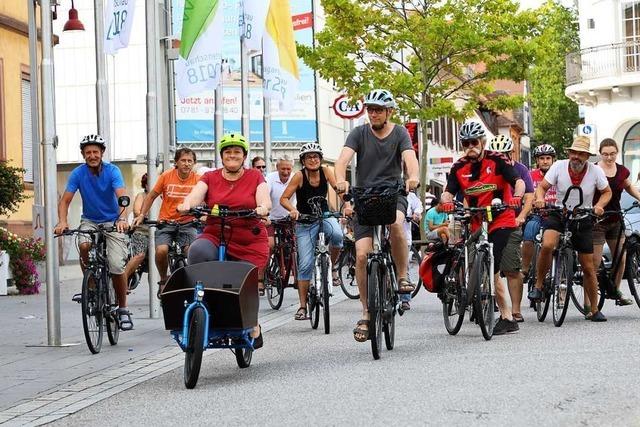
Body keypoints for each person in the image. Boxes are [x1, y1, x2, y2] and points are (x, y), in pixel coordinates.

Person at [334, 89, 419, 342]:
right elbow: (342, 161)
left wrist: (412, 176)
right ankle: (366, 312)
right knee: (361, 255)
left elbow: (410, 159)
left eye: (378, 110)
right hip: (365, 196)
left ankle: (402, 276)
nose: (373, 114)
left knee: (395, 224)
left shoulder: (400, 132)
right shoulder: (359, 133)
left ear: (389, 112)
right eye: (370, 109)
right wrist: (340, 180)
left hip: (394, 193)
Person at [178, 133, 269, 347]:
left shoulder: (255, 176)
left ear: (244, 156)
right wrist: (186, 204)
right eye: (228, 152)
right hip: (215, 231)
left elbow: (263, 197)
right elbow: (195, 195)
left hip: (248, 236)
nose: (232, 155)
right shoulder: (210, 177)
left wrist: (263, 207)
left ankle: (253, 322)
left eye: (237, 152)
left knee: (245, 279)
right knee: (197, 251)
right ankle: (203, 304)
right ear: (221, 156)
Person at [440, 121, 525, 335]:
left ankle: (507, 317)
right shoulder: (459, 167)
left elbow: (519, 182)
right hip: (477, 219)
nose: (470, 146)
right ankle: (468, 288)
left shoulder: (498, 159)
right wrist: (447, 201)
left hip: (502, 218)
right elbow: (448, 191)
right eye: (466, 143)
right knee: (472, 254)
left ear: (483, 142)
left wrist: (516, 196)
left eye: (474, 142)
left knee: (493, 264)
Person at [528, 136, 612, 322]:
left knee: (589, 267)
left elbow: (607, 192)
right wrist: (540, 198)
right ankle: (539, 286)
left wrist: (599, 206)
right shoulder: (558, 166)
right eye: (573, 153)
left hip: (583, 216)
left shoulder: (595, 171)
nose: (576, 157)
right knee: (548, 244)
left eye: (581, 154)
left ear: (586, 157)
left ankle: (594, 309)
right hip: (559, 212)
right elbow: (541, 188)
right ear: (569, 153)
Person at [54, 134, 133, 329]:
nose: (92, 155)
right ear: (83, 154)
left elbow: (122, 197)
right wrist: (62, 221)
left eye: (95, 152)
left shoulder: (113, 171)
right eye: (88, 152)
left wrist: (122, 218)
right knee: (84, 244)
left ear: (102, 153)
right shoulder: (78, 173)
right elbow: (65, 201)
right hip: (89, 220)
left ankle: (122, 308)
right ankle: (90, 286)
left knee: (116, 264)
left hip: (113, 221)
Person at [280, 143, 346, 321]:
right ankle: (302, 307)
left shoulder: (326, 171)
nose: (313, 159)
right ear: (303, 160)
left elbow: (338, 191)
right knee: (305, 264)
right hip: (305, 221)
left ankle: (331, 266)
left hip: (324, 216)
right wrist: (292, 210)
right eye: (308, 157)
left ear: (321, 158)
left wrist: (346, 204)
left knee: (338, 236)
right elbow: (284, 198)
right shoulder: (299, 176)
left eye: (316, 156)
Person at [133, 148, 201, 297]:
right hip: (166, 222)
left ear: (194, 163)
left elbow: (206, 198)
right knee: (161, 251)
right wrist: (142, 215)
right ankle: (163, 279)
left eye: (190, 161)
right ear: (176, 162)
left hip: (188, 223)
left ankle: (194, 282)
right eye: (183, 160)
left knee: (191, 252)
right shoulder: (166, 176)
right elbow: (151, 196)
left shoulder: (198, 179)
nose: (186, 164)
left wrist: (204, 216)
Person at [487, 134, 534, 323]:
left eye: (504, 153)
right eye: (497, 153)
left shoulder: (520, 170)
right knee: (487, 265)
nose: (501, 156)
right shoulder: (487, 167)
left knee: (511, 268)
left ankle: (515, 310)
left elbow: (529, 196)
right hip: (488, 220)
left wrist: (521, 216)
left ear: (511, 153)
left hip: (511, 221)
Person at [592, 138, 640, 306]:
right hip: (596, 220)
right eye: (605, 154)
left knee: (621, 257)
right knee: (594, 263)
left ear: (617, 153)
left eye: (612, 154)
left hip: (615, 218)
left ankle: (615, 290)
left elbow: (629, 187)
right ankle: (590, 300)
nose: (609, 158)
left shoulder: (621, 171)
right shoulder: (594, 169)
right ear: (600, 153)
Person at [522, 144, 557, 278]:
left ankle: (566, 271)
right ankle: (525, 269)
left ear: (553, 159)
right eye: (542, 158)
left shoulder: (559, 174)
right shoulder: (530, 176)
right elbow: (525, 195)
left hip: (556, 215)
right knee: (528, 234)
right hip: (537, 215)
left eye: (548, 158)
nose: (545, 161)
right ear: (537, 160)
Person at [263, 155, 296, 294]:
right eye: (283, 169)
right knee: (269, 245)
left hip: (288, 217)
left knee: (295, 243)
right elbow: (264, 195)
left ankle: (296, 275)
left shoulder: (295, 177)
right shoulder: (269, 178)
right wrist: (265, 214)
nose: (286, 172)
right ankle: (261, 276)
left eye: (289, 169)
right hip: (271, 218)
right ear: (277, 168)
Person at [124, 173, 150, 284]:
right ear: (145, 185)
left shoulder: (162, 197)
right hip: (142, 231)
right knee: (139, 255)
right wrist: (144, 216)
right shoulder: (142, 195)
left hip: (158, 232)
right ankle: (123, 280)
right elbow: (136, 211)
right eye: (150, 183)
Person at [401, 189, 423, 311]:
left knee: (404, 265)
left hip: (404, 236)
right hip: (386, 236)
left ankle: (405, 299)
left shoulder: (410, 196)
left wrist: (416, 214)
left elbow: (419, 207)